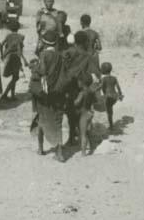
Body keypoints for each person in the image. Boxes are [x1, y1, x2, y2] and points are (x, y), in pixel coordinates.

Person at [28, 29, 66, 162]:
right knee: (58, 123)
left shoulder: (44, 55)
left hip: (47, 95)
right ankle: (60, 153)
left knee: (42, 120)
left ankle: (40, 148)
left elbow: (43, 70)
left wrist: (34, 67)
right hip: (59, 94)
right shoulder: (60, 55)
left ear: (43, 42)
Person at [63, 30, 101, 145]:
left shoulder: (67, 53)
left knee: (70, 112)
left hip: (69, 87)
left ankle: (71, 137)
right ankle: (84, 137)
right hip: (82, 87)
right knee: (84, 112)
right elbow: (96, 74)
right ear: (85, 42)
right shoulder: (88, 56)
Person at [0, 21, 28, 101]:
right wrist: (24, 60)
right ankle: (5, 94)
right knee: (15, 77)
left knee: (14, 76)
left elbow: (1, 45)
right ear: (18, 28)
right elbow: (19, 49)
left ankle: (12, 95)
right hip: (16, 58)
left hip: (8, 57)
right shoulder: (21, 37)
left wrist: (2, 55)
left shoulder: (8, 36)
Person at [74, 72, 97, 156]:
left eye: (78, 81)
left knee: (83, 134)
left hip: (83, 115)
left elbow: (77, 103)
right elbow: (95, 101)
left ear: (81, 82)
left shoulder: (82, 93)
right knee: (88, 132)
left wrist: (72, 101)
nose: (77, 83)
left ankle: (83, 152)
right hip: (89, 113)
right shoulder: (91, 92)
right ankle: (92, 146)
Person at [100, 61, 124, 130]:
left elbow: (101, 86)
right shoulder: (114, 78)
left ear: (103, 70)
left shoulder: (103, 79)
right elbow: (118, 87)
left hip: (108, 96)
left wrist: (95, 89)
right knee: (110, 109)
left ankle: (111, 126)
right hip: (114, 96)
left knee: (109, 111)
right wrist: (120, 94)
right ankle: (111, 125)